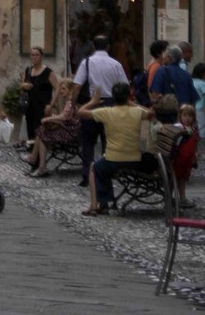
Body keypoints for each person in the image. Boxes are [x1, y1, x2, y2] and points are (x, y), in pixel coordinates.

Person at [78, 82, 151, 216]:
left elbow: (81, 112)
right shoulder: (138, 112)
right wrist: (133, 104)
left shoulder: (107, 112)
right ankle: (103, 202)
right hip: (135, 158)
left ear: (113, 97)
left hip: (113, 158)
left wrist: (93, 102)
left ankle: (96, 204)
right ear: (128, 96)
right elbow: (149, 115)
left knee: (95, 167)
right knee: (101, 167)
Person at [71, 35, 128, 187]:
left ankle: (86, 175)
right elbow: (124, 86)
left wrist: (73, 103)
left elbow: (76, 85)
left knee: (88, 141)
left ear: (93, 47)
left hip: (92, 101)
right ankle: (107, 173)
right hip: (111, 103)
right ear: (108, 47)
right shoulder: (116, 64)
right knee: (108, 140)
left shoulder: (87, 62)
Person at [24, 79, 80, 177]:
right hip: (67, 129)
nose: (61, 91)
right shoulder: (69, 102)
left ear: (70, 90)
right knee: (41, 131)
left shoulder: (71, 102)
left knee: (42, 134)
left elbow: (64, 117)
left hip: (69, 132)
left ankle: (39, 164)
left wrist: (49, 118)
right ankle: (37, 161)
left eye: (63, 89)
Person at [20, 47, 58, 146]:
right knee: (30, 129)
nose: (34, 57)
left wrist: (51, 104)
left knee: (40, 129)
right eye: (32, 55)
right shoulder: (28, 70)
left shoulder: (48, 72)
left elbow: (57, 88)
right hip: (30, 105)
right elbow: (22, 84)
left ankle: (38, 154)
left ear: (41, 56)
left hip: (42, 106)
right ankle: (32, 151)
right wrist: (25, 86)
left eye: (37, 55)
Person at [150, 44, 198, 114]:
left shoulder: (161, 71)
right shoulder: (187, 75)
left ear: (169, 57)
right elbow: (193, 99)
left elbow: (155, 94)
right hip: (183, 115)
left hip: (166, 114)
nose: (163, 56)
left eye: (165, 54)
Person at [172, 103, 199, 209]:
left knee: (183, 179)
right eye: (185, 115)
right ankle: (170, 197)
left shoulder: (193, 129)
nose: (187, 118)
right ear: (180, 116)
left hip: (187, 160)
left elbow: (194, 145)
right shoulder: (179, 127)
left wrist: (195, 157)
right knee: (174, 178)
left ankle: (182, 198)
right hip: (179, 159)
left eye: (190, 116)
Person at [192, 62, 205, 141]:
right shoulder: (202, 83)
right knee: (202, 128)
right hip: (200, 110)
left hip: (191, 108)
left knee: (194, 128)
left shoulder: (191, 81)